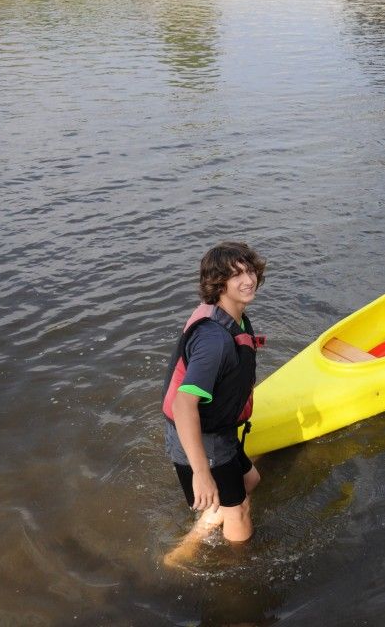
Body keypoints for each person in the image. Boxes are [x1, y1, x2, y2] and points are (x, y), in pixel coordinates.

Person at [161, 241, 267, 567]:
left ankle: (206, 523)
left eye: (249, 271)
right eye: (236, 275)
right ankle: (238, 573)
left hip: (218, 432)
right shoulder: (215, 341)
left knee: (252, 481)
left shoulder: (233, 318)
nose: (248, 280)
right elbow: (183, 406)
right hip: (203, 441)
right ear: (218, 283)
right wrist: (201, 473)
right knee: (240, 511)